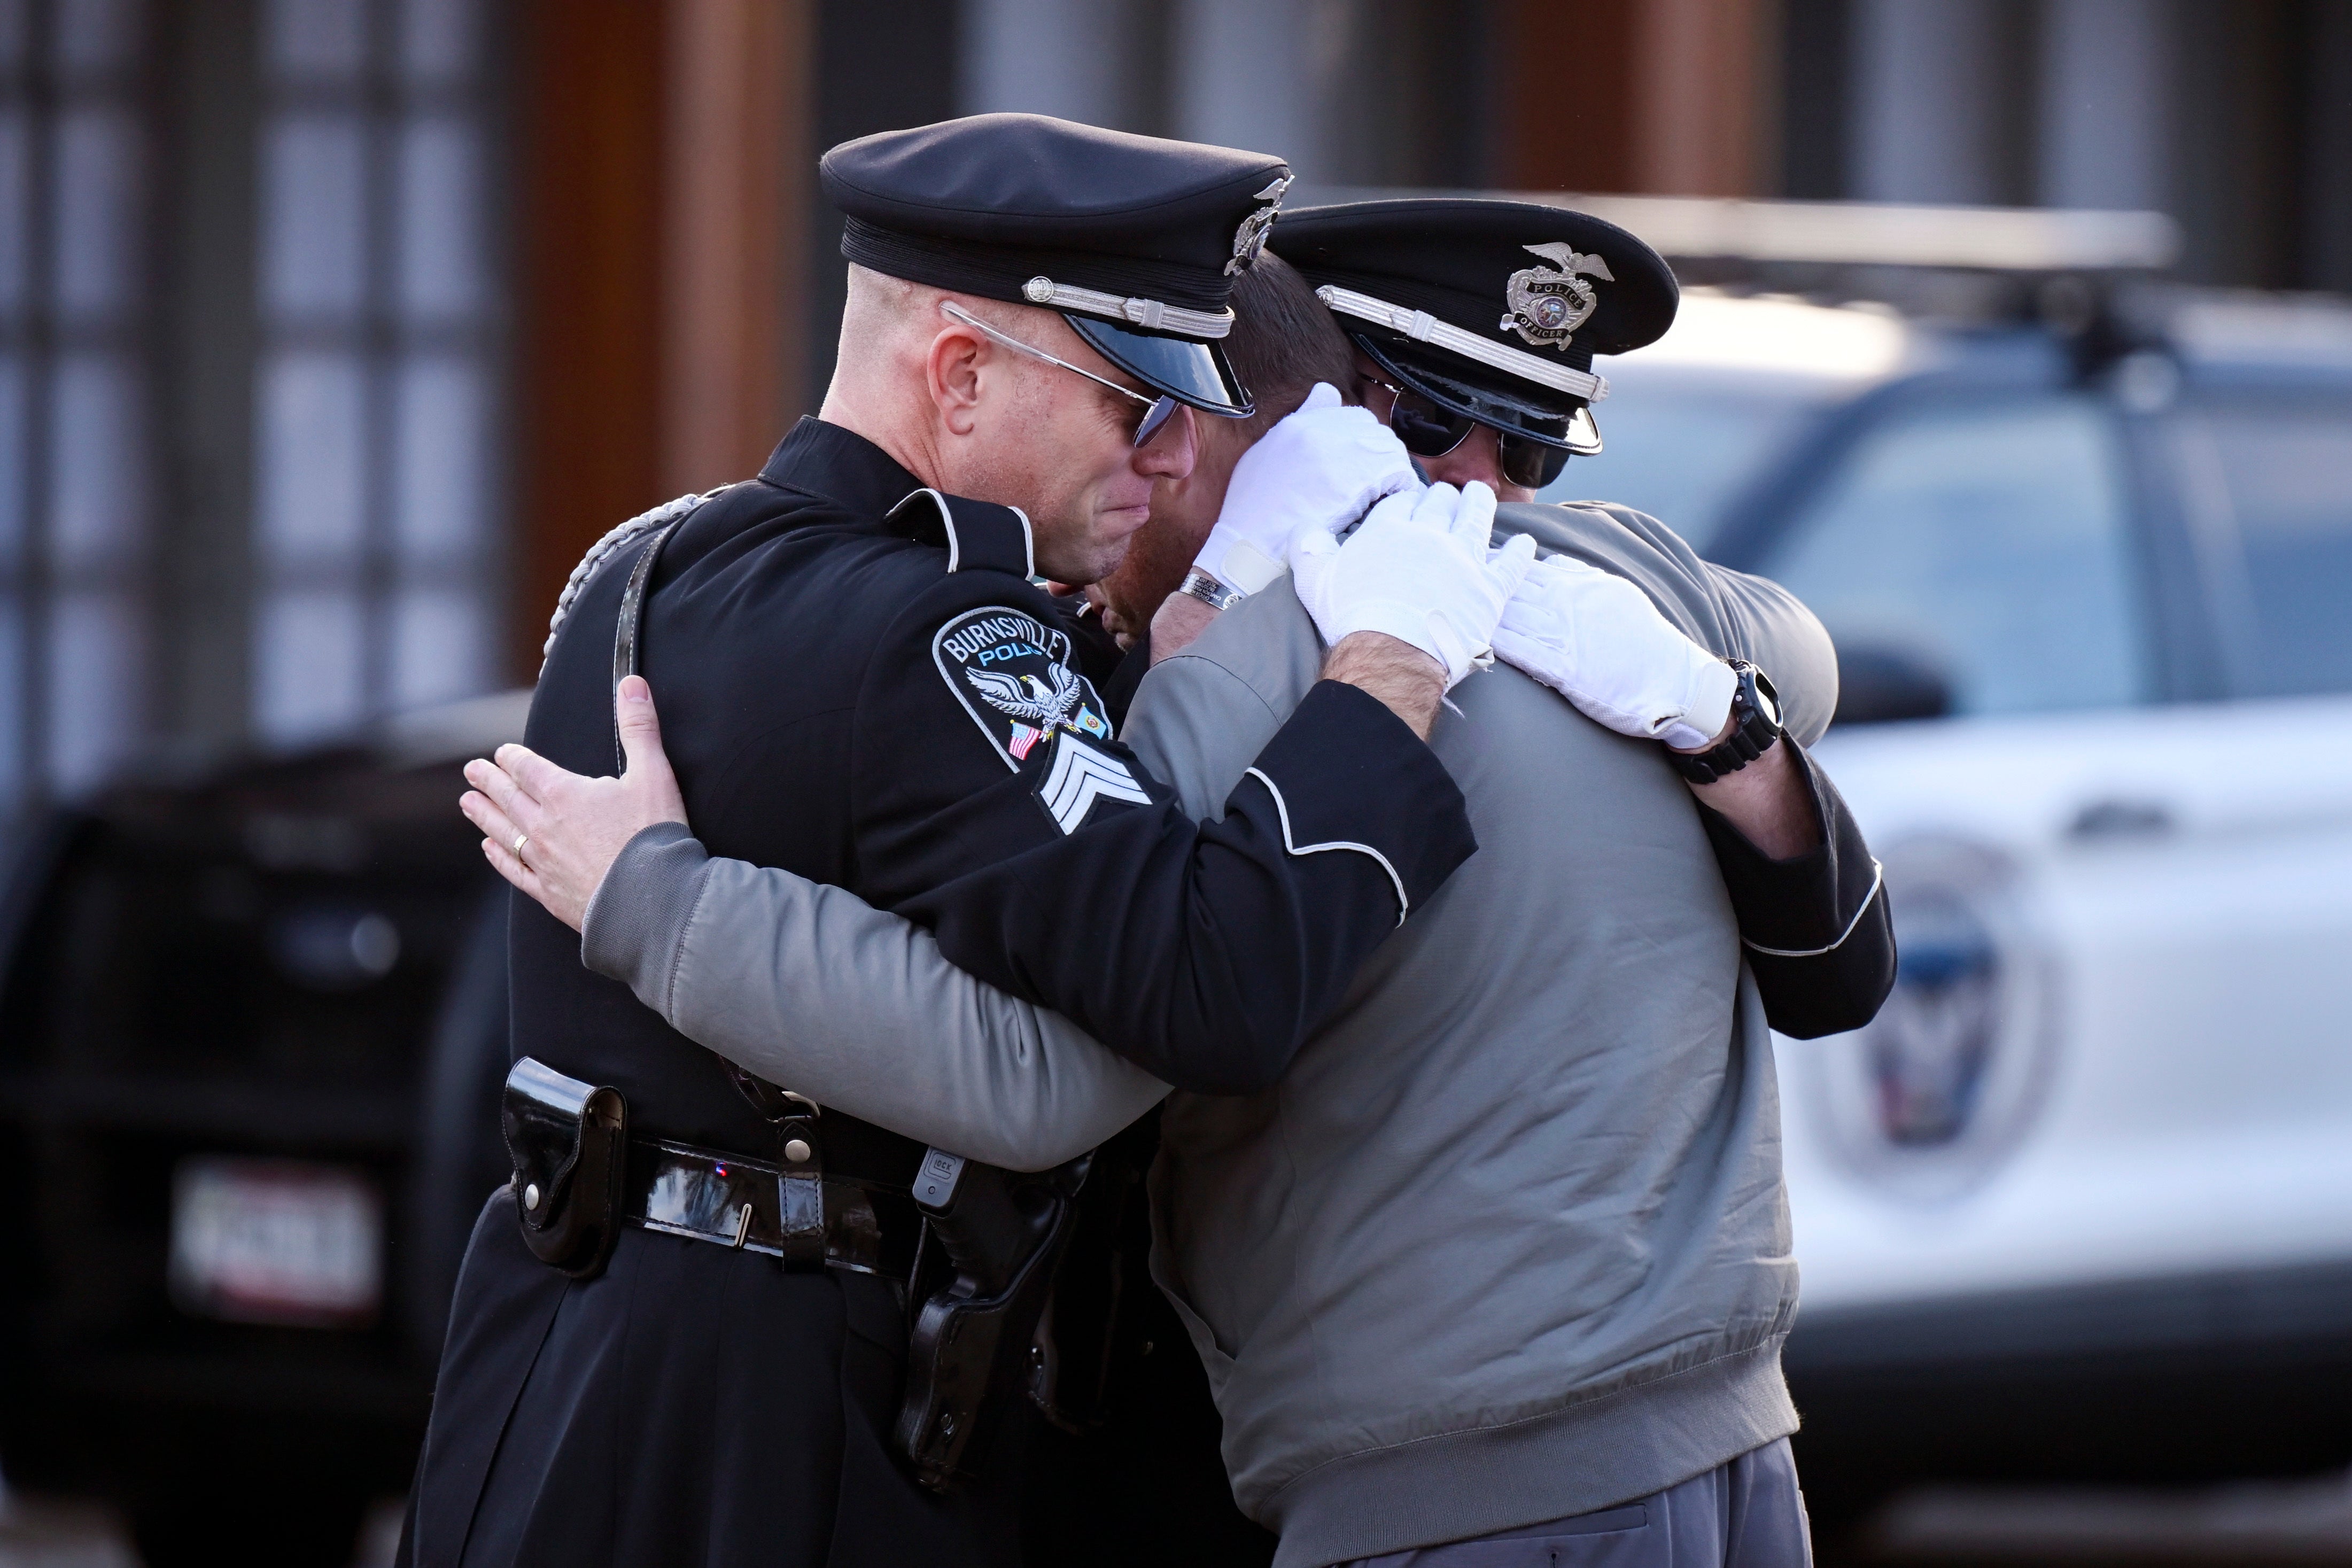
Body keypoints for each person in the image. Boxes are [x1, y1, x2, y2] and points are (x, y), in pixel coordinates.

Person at [467, 199, 1895, 1566]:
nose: (1494, 493)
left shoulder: (1273, 681)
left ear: (1260, 439)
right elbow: (1802, 660)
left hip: (1462, 1486)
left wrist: (652, 897)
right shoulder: (1628, 590)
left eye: (1157, 424)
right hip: (1733, 1459)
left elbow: (1047, 1077)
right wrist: (1720, 697)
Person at [399, 117, 1550, 1568]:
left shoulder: (642, 562)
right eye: (1142, 406)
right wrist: (1389, 662)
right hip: (783, 1419)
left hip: (553, 1360)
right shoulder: (950, 640)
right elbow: (1220, 988)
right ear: (959, 376)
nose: (1183, 456)